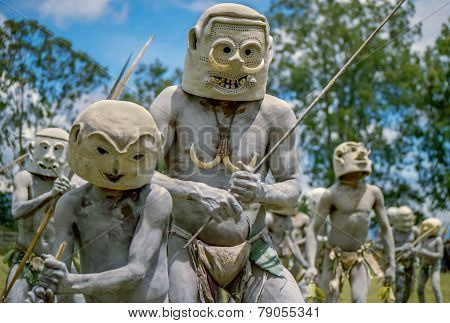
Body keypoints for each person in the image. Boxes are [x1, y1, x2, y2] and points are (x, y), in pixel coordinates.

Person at [150, 3, 304, 302]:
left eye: (248, 53)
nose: (235, 63)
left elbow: (294, 190)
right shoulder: (174, 102)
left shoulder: (277, 112)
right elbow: (138, 173)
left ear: (266, 51)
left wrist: (262, 192)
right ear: (196, 43)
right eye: (224, 50)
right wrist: (194, 190)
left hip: (253, 246)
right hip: (184, 244)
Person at [27, 100, 171, 302]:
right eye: (102, 151)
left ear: (158, 145)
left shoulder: (155, 198)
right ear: (77, 137)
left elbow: (137, 270)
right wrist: (48, 292)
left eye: (136, 155)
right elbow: (60, 267)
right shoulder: (71, 203)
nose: (115, 169)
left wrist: (69, 284)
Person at [305, 141, 395, 302]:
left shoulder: (373, 193)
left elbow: (386, 229)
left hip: (359, 257)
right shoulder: (331, 194)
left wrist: (392, 265)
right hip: (334, 256)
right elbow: (313, 230)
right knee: (328, 304)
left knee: (360, 302)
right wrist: (311, 265)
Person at [4, 128, 74, 302]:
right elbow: (17, 211)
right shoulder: (24, 178)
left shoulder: (73, 184)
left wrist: (71, 196)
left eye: (57, 150)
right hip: (26, 260)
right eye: (44, 147)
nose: (49, 156)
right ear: (31, 150)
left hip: (60, 264)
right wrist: (50, 195)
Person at [417, 217, 444, 303]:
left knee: (435, 287)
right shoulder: (423, 239)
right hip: (424, 265)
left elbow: (440, 255)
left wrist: (426, 252)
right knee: (419, 289)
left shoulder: (438, 240)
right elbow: (419, 251)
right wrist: (418, 253)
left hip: (434, 266)